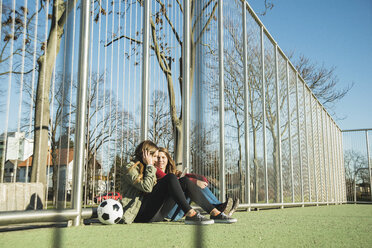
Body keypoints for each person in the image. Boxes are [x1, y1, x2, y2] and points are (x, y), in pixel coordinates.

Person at [120, 140, 237, 225]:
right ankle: (191, 214)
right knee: (171, 177)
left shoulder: (149, 168)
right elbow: (146, 188)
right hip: (141, 215)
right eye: (155, 156)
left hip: (157, 213)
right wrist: (150, 165)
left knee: (184, 181)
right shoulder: (130, 168)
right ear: (146, 155)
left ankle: (215, 212)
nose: (156, 160)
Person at [155, 147, 239, 221]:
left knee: (193, 182)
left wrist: (200, 179)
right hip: (167, 212)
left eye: (163, 157)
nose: (160, 160)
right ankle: (219, 208)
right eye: (158, 157)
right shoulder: (154, 172)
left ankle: (219, 207)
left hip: (179, 210)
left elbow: (187, 176)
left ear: (167, 159)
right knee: (191, 184)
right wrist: (194, 182)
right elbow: (174, 181)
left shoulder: (173, 172)